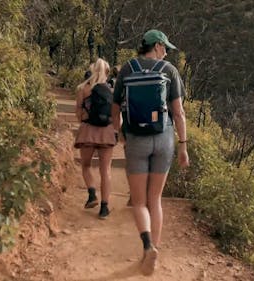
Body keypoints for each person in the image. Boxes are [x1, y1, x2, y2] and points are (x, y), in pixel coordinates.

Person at [112, 29, 190, 276]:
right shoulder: (169, 71)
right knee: (155, 199)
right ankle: (154, 249)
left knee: (139, 201)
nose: (166, 52)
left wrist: (121, 134)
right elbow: (178, 113)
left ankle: (146, 246)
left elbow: (116, 110)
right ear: (156, 46)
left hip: (136, 139)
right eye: (165, 47)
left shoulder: (127, 69)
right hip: (164, 138)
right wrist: (183, 145)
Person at [74, 58, 116, 219]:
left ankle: (92, 194)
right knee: (105, 170)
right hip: (107, 132)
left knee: (86, 165)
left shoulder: (83, 88)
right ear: (107, 72)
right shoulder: (111, 91)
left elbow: (78, 112)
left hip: (88, 131)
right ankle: (104, 208)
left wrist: (85, 121)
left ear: (92, 71)